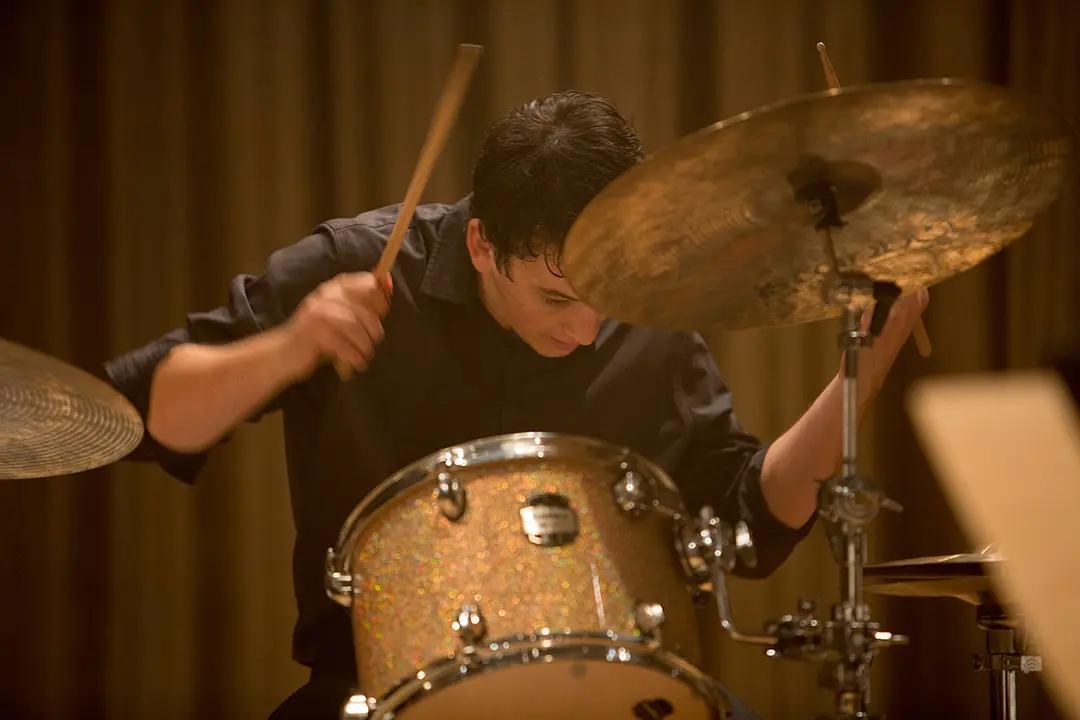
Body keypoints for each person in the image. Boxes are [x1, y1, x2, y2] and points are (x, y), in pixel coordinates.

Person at [105, 90, 927, 718]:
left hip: (605, 693)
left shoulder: (652, 316)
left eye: (605, 291)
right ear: (481, 245)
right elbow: (136, 413)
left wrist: (864, 368)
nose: (587, 329)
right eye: (556, 297)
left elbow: (749, 526)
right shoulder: (358, 266)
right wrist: (287, 348)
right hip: (377, 692)